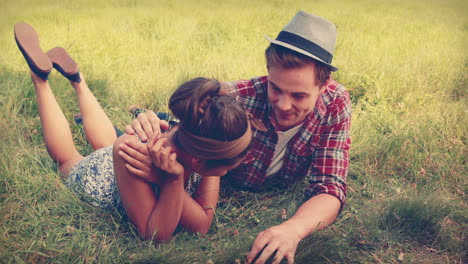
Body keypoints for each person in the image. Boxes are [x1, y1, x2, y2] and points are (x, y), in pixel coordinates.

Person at [125, 10, 352, 263]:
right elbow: (190, 116)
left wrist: (294, 229)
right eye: (275, 88)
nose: (284, 105)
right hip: (177, 143)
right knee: (123, 140)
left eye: (299, 96)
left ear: (323, 85)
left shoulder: (336, 104)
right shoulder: (238, 96)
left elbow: (330, 186)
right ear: (268, 71)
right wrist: (153, 122)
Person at [15, 23, 252, 242]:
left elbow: (202, 225)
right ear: (198, 159)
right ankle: (41, 79)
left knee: (110, 144)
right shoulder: (134, 151)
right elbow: (154, 235)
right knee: (69, 159)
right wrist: (172, 180)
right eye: (228, 167)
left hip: (118, 159)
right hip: (100, 177)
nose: (232, 168)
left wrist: (171, 179)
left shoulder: (204, 134)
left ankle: (78, 80)